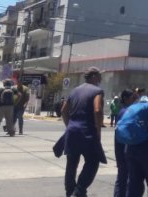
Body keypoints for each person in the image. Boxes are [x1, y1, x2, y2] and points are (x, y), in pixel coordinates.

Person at [60, 67, 106, 197]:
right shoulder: (97, 91)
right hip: (87, 132)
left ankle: (70, 191)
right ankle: (79, 190)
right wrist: (98, 131)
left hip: (72, 131)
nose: (101, 78)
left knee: (71, 163)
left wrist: (69, 126)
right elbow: (97, 110)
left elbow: (64, 111)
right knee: (93, 161)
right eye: (99, 75)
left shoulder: (74, 90)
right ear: (93, 76)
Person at [113, 89, 136, 197]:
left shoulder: (125, 110)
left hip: (122, 148)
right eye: (133, 98)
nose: (135, 100)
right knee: (123, 177)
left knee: (123, 177)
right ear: (126, 99)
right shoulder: (126, 112)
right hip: (124, 149)